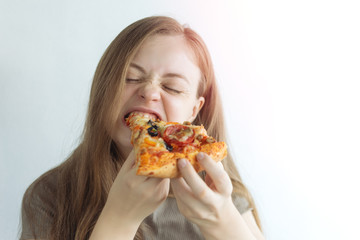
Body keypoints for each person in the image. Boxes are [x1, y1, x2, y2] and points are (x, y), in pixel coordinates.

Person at [21, 16, 265, 240]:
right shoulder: (50, 196)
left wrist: (222, 221)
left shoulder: (216, 188)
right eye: (130, 78)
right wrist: (118, 219)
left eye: (172, 87)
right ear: (103, 91)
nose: (149, 92)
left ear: (193, 111)